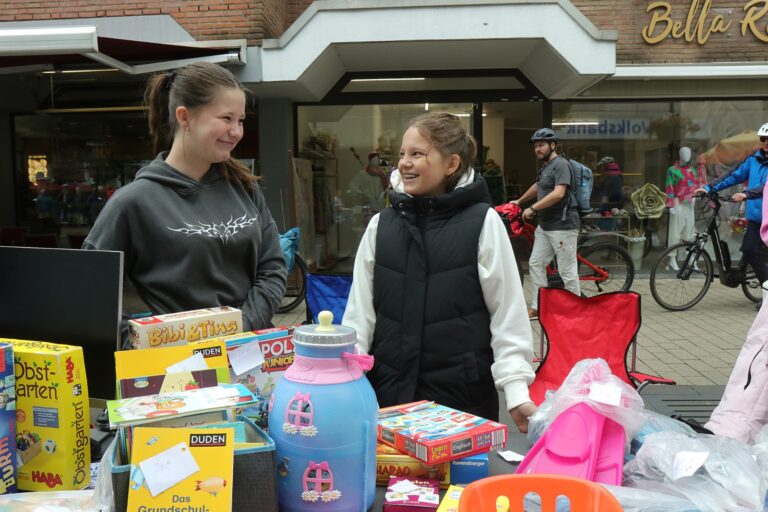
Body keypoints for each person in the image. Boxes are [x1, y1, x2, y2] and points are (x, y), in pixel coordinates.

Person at [342, 112, 537, 432]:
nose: (404, 163)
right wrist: (348, 380)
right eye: (402, 154)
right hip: (388, 399)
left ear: (451, 164)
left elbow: (508, 314)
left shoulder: (483, 223)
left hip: (462, 404)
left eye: (417, 154)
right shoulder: (382, 226)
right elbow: (359, 315)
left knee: (463, 483)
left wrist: (516, 391)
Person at [83, 62, 287, 347]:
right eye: (226, 118)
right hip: (176, 372)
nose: (236, 131)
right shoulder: (133, 202)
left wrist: (242, 328)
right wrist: (140, 345)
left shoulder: (246, 189)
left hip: (249, 357)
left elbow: (272, 267)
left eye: (240, 120)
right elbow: (91, 291)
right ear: (185, 117)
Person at [696, 122, 768, 309]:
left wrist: (746, 194)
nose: (766, 142)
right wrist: (709, 187)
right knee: (750, 250)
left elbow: (765, 187)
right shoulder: (754, 159)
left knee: (751, 250)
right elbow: (733, 175)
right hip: (755, 217)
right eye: (763, 139)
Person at [512, 128, 580, 319]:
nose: (537, 149)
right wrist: (519, 201)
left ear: (553, 145)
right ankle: (538, 306)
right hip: (546, 224)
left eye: (541, 145)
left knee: (567, 271)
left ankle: (575, 310)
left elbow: (559, 193)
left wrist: (532, 208)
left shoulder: (561, 165)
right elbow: (538, 187)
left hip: (563, 225)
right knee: (535, 263)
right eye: (535, 146)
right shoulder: (545, 167)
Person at [666, 146, 706, 270]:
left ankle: (691, 260)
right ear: (679, 154)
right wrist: (671, 204)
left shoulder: (692, 170)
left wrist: (695, 196)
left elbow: (695, 185)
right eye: (684, 153)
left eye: (688, 153)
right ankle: (672, 259)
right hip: (678, 202)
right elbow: (669, 187)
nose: (687, 156)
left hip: (689, 204)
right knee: (675, 231)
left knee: (690, 232)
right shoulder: (672, 170)